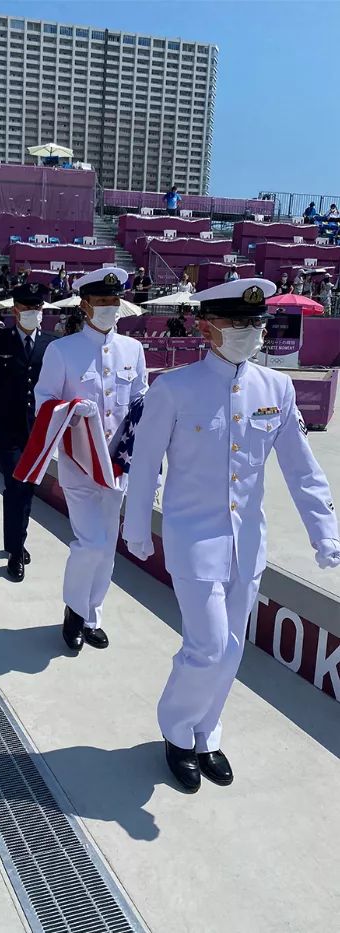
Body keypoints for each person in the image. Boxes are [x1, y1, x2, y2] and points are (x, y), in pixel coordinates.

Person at [122, 278, 339, 792]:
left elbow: (301, 469)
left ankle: (207, 732)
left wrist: (324, 531)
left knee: (234, 645)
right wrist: (135, 529)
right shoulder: (173, 389)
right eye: (238, 323)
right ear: (206, 327)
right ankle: (177, 731)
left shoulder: (276, 388)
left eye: (256, 323)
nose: (250, 332)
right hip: (192, 537)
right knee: (210, 643)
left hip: (249, 540)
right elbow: (146, 463)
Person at [34, 268, 148, 651]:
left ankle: (93, 613)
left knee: (107, 545)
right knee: (91, 543)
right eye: (101, 302)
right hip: (80, 465)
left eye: (114, 302)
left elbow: (141, 403)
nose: (109, 308)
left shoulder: (133, 350)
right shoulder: (61, 350)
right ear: (84, 305)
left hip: (117, 467)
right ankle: (74, 611)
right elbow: (43, 400)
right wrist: (70, 409)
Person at [0, 282, 56, 581]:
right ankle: (15, 551)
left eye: (37, 307)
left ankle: (18, 538)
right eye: (27, 307)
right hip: (7, 429)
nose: (33, 312)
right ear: (15, 310)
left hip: (40, 431)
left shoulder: (52, 345)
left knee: (28, 489)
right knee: (16, 487)